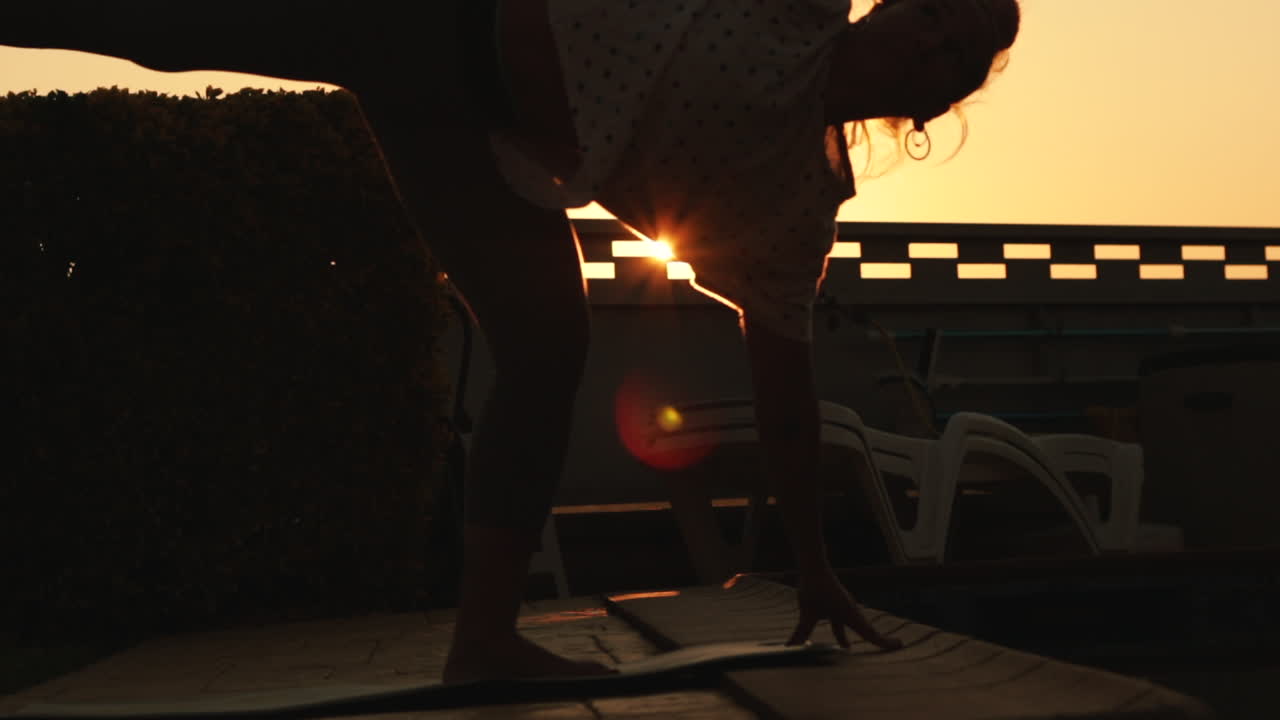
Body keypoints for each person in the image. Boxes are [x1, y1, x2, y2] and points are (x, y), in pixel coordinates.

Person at [4, 0, 1020, 684]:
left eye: (959, 59)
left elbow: (787, 399)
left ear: (942, 102)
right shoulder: (796, 8)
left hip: (478, 139)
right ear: (889, 7)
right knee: (184, 28)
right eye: (935, 18)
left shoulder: (797, 205)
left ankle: (483, 641)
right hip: (435, 23)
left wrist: (814, 566)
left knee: (546, 346)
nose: (933, 51)